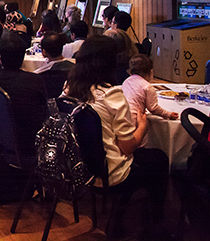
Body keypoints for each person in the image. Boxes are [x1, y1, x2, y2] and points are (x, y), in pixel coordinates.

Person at [65, 36, 169, 232]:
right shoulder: (111, 95)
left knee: (144, 160)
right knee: (159, 159)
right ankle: (156, 225)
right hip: (108, 173)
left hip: (78, 168)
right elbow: (128, 146)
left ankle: (119, 216)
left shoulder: (69, 89)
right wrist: (142, 126)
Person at [0, 32, 48, 153]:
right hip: (34, 141)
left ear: (0, 58)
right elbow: (45, 110)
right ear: (23, 58)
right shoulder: (36, 80)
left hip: (4, 142)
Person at [122, 54, 178, 140]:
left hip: (122, 117)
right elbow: (153, 108)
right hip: (136, 120)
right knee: (138, 142)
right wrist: (168, 114)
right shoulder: (147, 86)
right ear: (150, 72)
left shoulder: (126, 82)